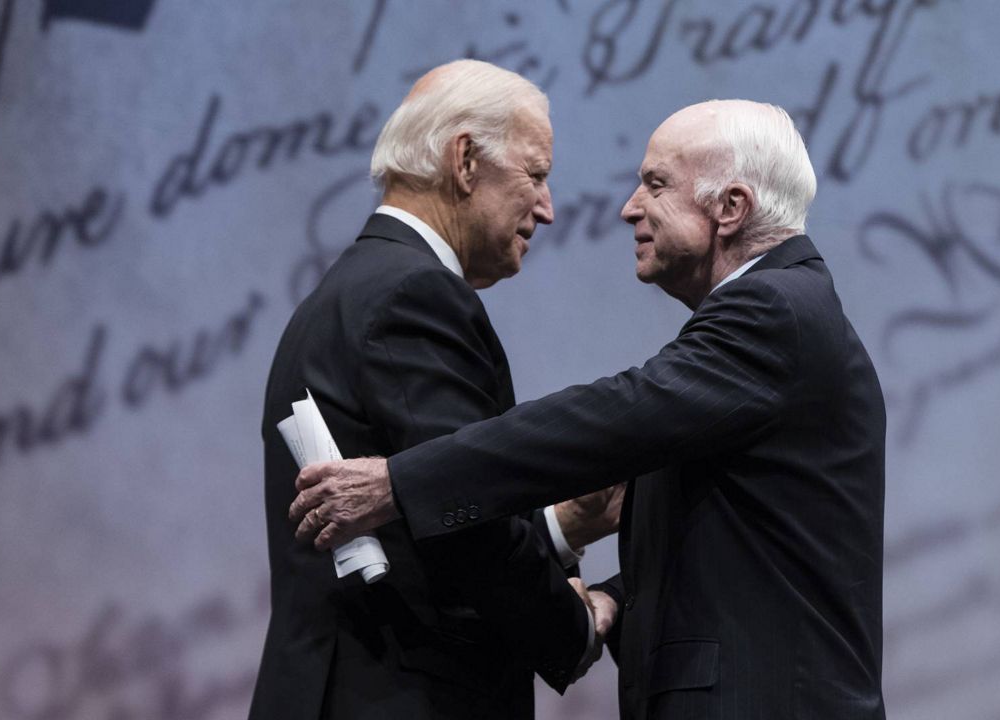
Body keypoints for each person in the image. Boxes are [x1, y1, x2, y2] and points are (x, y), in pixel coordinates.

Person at [291, 99, 888, 719]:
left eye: (656, 184)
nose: (630, 207)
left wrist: (400, 481)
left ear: (731, 208)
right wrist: (607, 602)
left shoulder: (774, 310)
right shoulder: (775, 317)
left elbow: (608, 420)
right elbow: (748, 546)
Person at [249, 59, 619, 720]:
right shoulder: (412, 294)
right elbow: (466, 521)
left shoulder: (361, 283)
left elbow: (429, 509)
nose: (549, 209)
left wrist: (560, 528)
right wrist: (576, 627)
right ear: (466, 161)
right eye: (536, 175)